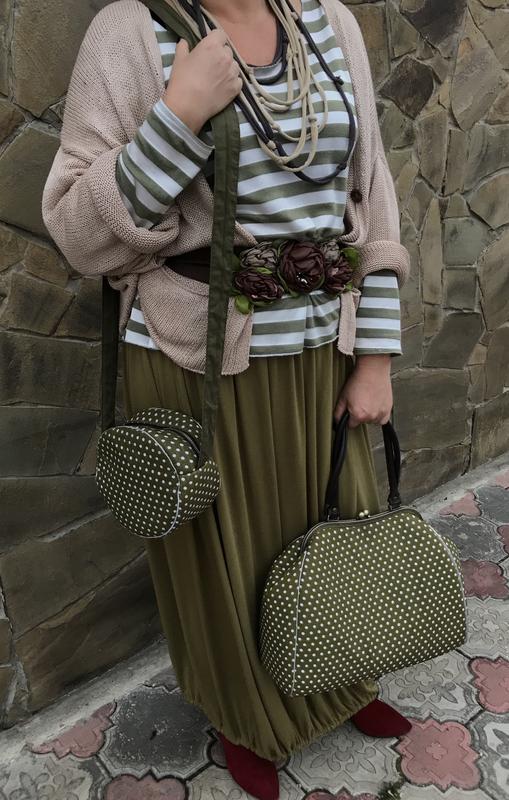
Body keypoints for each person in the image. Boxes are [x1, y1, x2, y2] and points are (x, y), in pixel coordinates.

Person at [42, 1, 413, 798]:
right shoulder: (129, 32)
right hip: (197, 365)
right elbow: (76, 232)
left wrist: (376, 356)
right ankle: (246, 717)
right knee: (225, 559)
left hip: (323, 358)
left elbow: (372, 201)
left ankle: (343, 680)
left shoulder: (330, 23)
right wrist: (176, 117)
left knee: (338, 525)